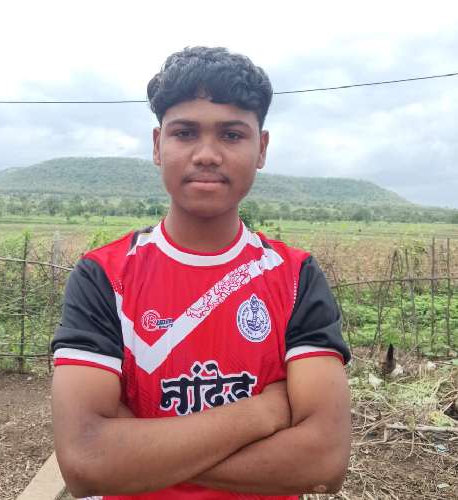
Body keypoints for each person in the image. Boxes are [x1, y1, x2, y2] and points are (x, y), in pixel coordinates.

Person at [51, 46, 352, 500]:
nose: (207, 154)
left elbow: (323, 462)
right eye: (185, 133)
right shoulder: (104, 277)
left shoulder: (295, 278)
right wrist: (262, 413)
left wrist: (142, 451)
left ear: (261, 149)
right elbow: (87, 461)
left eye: (231, 134)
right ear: (158, 145)